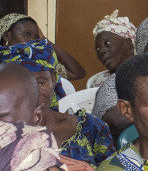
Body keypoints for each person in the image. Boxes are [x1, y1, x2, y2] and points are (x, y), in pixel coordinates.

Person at [0, 39, 114, 167]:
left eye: (41, 82)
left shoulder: (92, 128)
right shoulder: (4, 137)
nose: (34, 92)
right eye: (23, 86)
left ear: (53, 79)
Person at [0, 12, 86, 81]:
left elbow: (78, 73)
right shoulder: (3, 66)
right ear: (6, 36)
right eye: (27, 34)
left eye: (36, 37)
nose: (33, 40)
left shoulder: (42, 63)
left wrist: (44, 40)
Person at [88, 10, 136, 88]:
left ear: (128, 43)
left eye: (107, 43)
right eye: (97, 48)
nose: (101, 51)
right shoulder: (100, 83)